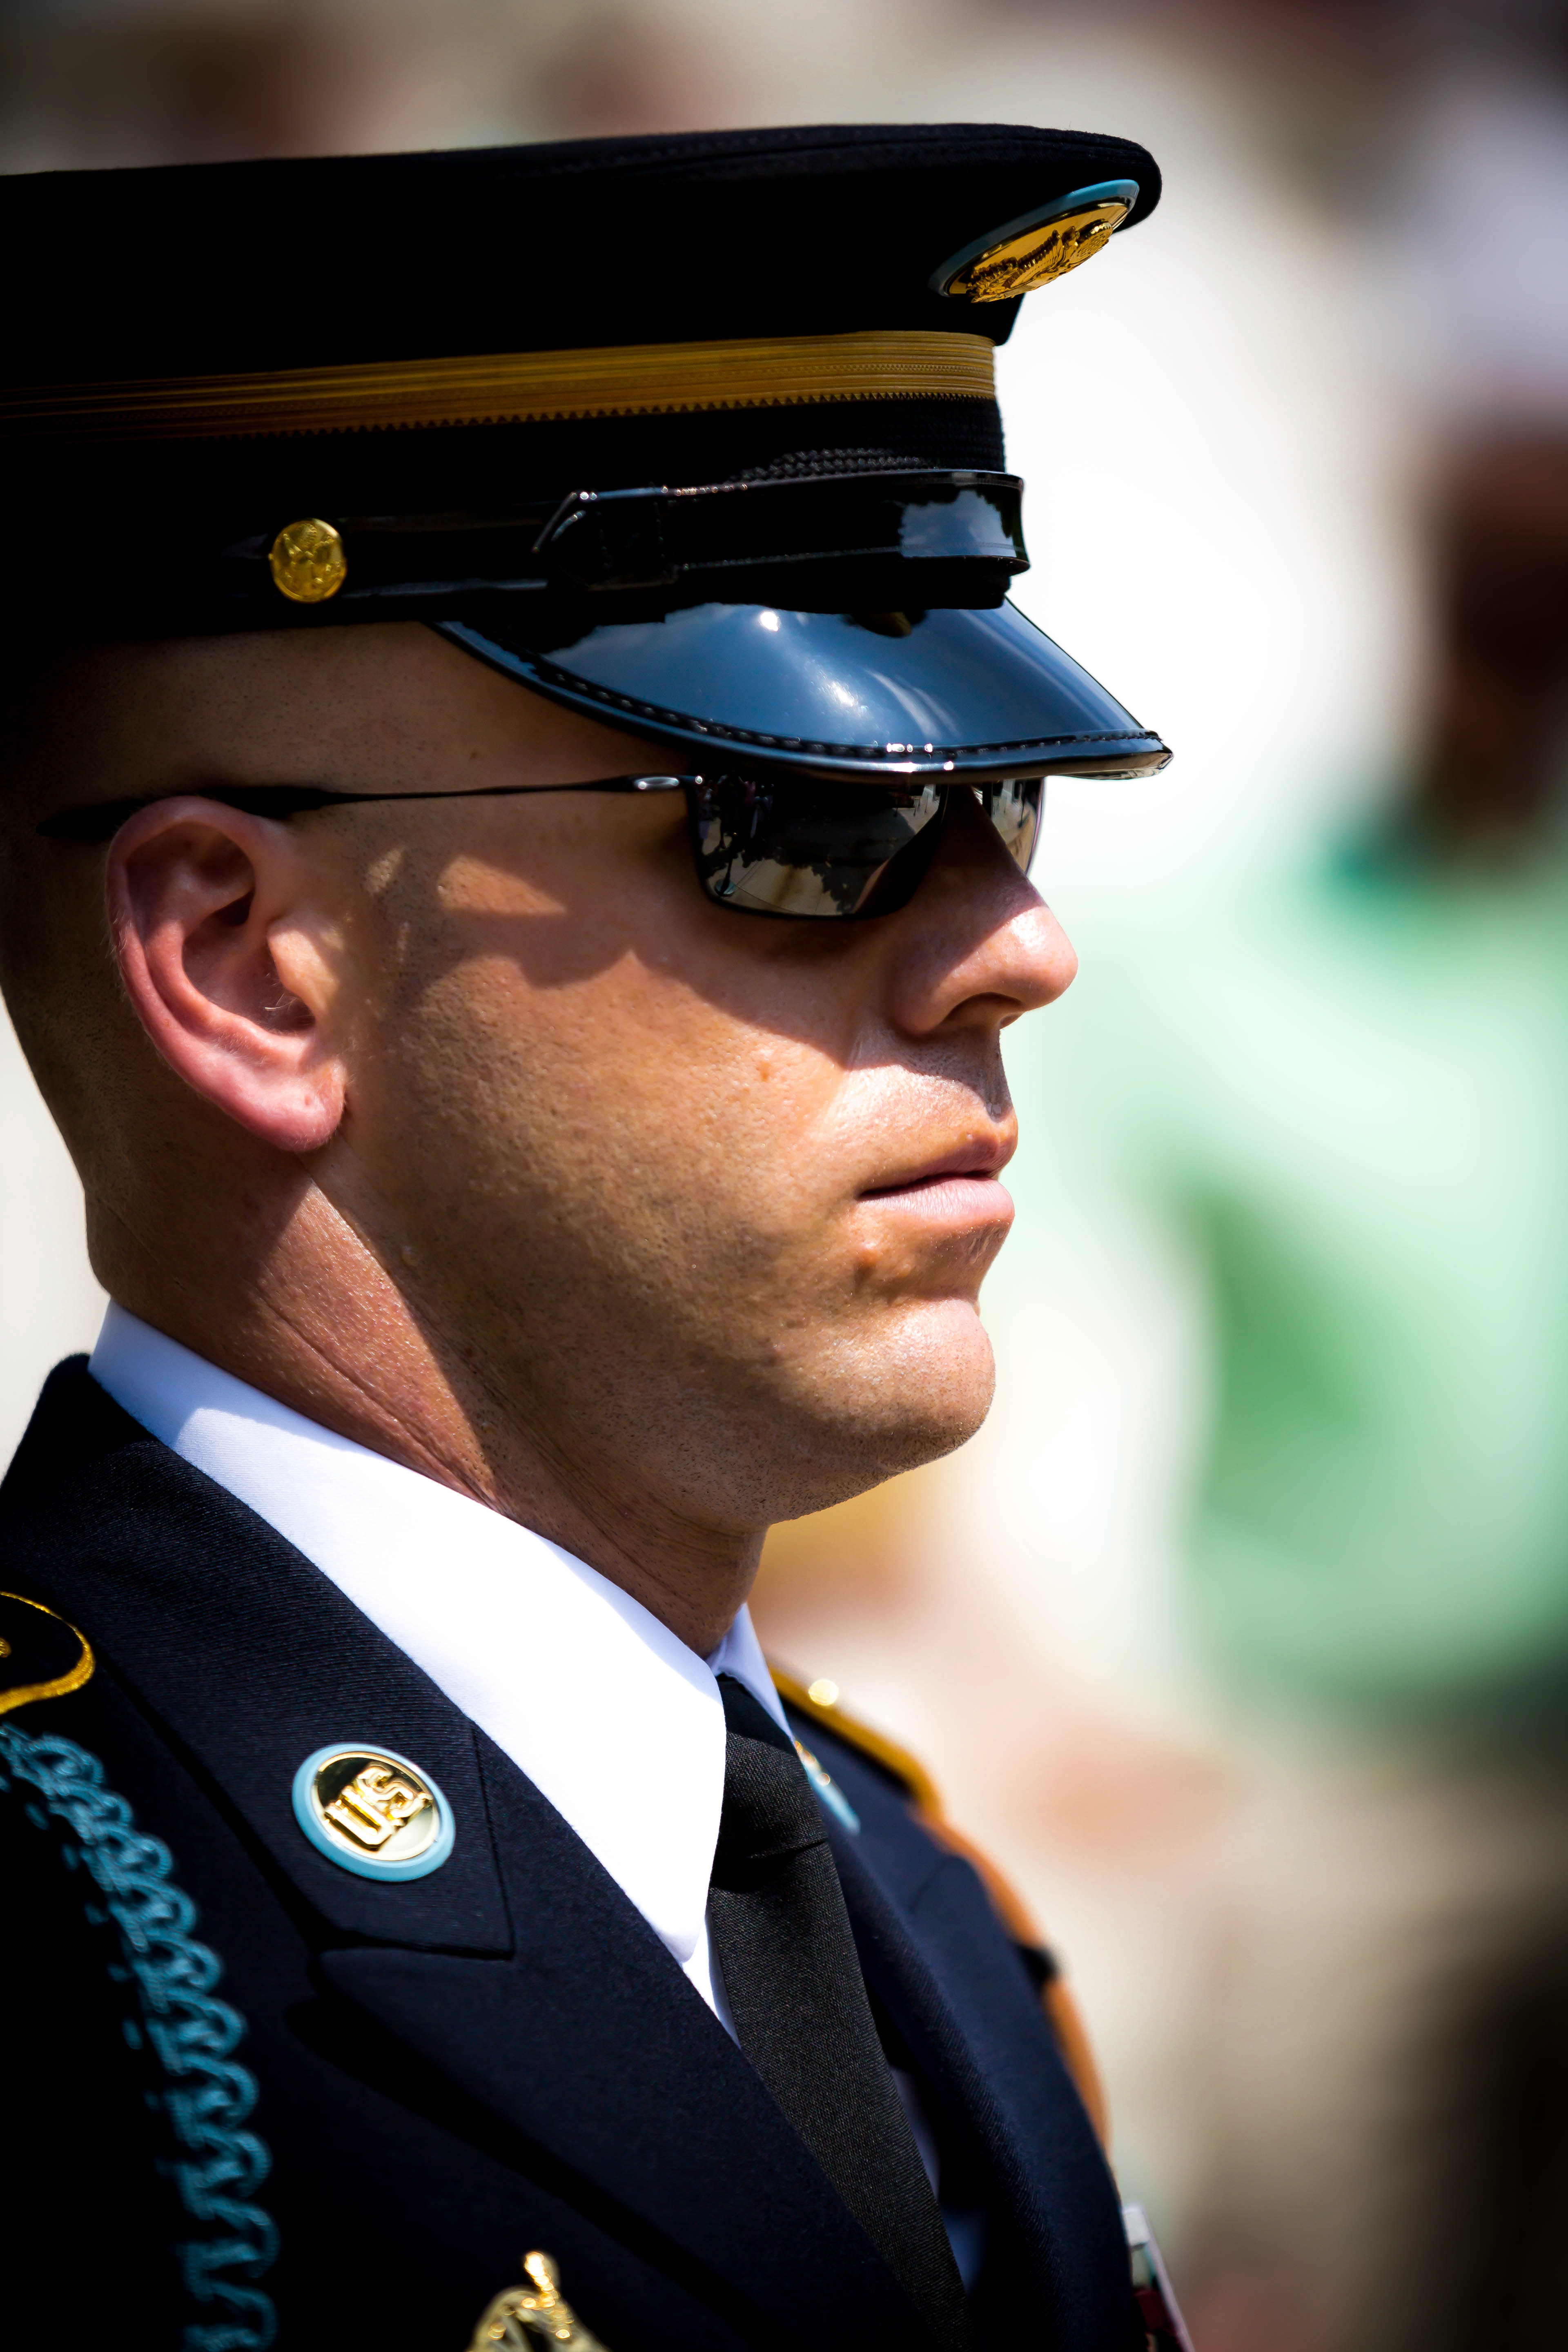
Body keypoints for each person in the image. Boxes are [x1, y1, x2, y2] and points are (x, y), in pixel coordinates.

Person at [0, 124, 1173, 2351]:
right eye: (810, 822)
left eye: (997, 807)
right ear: (246, 967)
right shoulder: (74, 1965)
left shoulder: (899, 1892)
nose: (1019, 948)